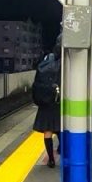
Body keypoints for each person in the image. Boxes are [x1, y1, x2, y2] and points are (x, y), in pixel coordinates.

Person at [32, 38, 61, 168]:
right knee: (60, 129)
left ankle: (51, 159)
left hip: (45, 102)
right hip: (58, 101)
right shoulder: (62, 64)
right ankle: (63, 151)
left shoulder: (45, 63)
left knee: (47, 131)